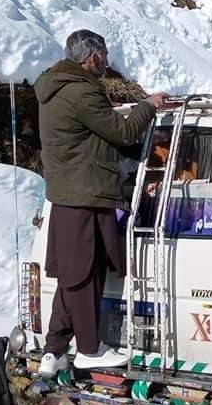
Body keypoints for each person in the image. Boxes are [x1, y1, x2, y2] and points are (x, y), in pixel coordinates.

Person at [34, 29, 168, 376]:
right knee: (83, 273)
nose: (107, 63)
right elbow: (123, 132)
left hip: (68, 195)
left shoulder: (57, 87)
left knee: (70, 274)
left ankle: (55, 349)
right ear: (91, 57)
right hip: (86, 194)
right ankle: (91, 349)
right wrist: (148, 106)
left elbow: (94, 136)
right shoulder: (81, 92)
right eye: (104, 56)